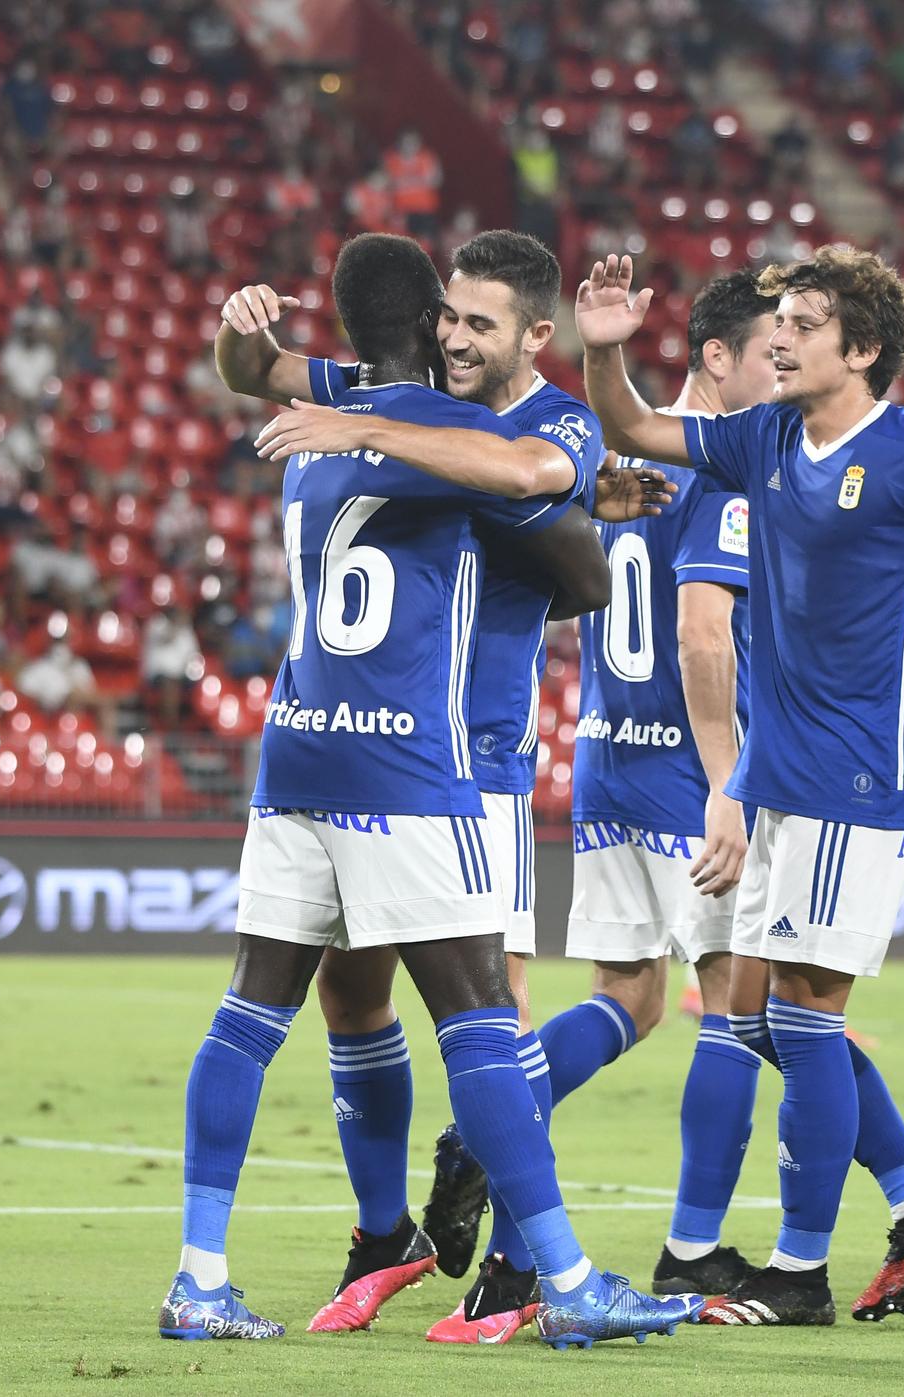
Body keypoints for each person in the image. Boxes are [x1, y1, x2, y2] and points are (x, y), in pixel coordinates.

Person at [167, 231, 693, 1348]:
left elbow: (253, 374)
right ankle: (555, 1275)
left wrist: (267, 351)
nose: (457, 336)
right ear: (424, 324)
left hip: (300, 750)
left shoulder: (336, 416)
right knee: (481, 1019)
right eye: (447, 318)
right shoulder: (466, 426)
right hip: (422, 763)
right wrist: (584, 497)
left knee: (255, 1009)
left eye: (478, 322)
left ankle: (201, 1274)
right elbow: (547, 511)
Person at [576, 247, 904, 1326]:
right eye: (774, 320)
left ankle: (798, 1269)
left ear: (863, 348)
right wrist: (602, 355)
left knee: (804, 1017)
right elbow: (641, 429)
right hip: (774, 776)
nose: (778, 335)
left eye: (802, 321)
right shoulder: (766, 436)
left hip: (853, 780)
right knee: (777, 1016)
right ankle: (903, 1213)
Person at [553, 271, 778, 1299]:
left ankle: (489, 1120)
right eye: (771, 360)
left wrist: (601, 355)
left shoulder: (620, 458)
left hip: (602, 751)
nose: (781, 382)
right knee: (737, 1007)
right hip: (690, 776)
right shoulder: (722, 473)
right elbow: (701, 629)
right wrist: (726, 778)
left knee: (627, 997)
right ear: (718, 359)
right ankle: (693, 1242)